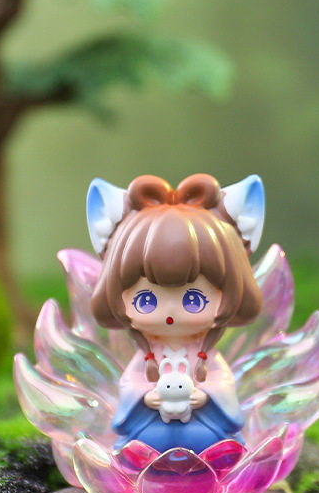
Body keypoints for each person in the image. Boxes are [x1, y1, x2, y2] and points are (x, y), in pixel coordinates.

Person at [86, 172, 264, 454]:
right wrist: (147, 398)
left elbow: (222, 381)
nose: (170, 314)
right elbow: (131, 382)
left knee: (215, 441)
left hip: (203, 425)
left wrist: (205, 396)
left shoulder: (205, 355)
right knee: (141, 443)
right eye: (146, 300)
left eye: (194, 299)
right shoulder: (147, 356)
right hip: (152, 427)